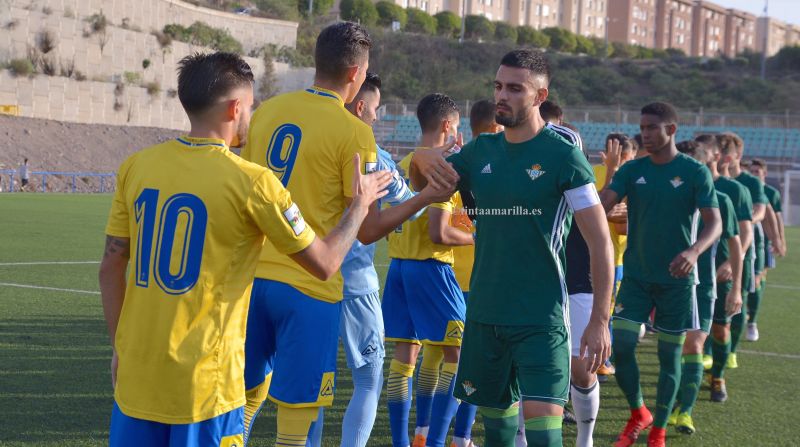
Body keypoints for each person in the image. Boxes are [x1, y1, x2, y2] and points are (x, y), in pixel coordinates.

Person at [98, 52, 392, 447]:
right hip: (205, 389)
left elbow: (111, 266)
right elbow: (324, 263)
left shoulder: (136, 167)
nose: (250, 118)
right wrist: (359, 205)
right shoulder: (254, 183)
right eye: (250, 107)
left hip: (137, 378)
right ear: (235, 108)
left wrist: (121, 346)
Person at [239, 23, 453, 446]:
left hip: (252, 279)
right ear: (356, 73)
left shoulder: (266, 112)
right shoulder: (355, 131)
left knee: (242, 400)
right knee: (301, 415)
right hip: (311, 283)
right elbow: (369, 229)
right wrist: (427, 196)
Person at [416, 49, 614, 447]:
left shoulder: (564, 157)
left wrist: (599, 319)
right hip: (485, 316)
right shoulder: (479, 152)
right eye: (498, 86)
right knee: (498, 434)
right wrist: (427, 159)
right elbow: (423, 178)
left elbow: (600, 240)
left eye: (514, 88)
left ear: (540, 96)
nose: (501, 96)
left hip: (541, 319)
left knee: (544, 436)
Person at [600, 102, 722, 447]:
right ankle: (639, 412)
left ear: (671, 129)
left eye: (652, 127)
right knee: (622, 345)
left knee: (669, 358)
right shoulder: (633, 170)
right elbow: (602, 204)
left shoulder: (694, 171)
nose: (646, 134)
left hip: (677, 281)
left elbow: (714, 223)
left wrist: (693, 252)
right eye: (642, 128)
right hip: (637, 277)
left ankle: (659, 430)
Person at [333, 72, 431, 447]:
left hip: (301, 276)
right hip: (354, 282)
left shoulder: (309, 135)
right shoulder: (374, 154)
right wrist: (424, 176)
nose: (376, 117)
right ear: (361, 107)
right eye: (374, 109)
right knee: (369, 376)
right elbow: (413, 207)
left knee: (310, 382)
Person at [383, 93, 474, 447]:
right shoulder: (443, 166)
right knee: (460, 356)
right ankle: (436, 441)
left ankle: (407, 440)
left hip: (398, 267)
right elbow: (439, 232)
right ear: (448, 126)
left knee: (405, 357)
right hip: (431, 269)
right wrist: (475, 236)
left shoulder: (401, 163)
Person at [670, 140, 742, 434]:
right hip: (669, 284)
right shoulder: (668, 193)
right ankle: (673, 403)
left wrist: (736, 287)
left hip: (705, 285)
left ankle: (689, 407)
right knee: (673, 348)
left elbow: (736, 244)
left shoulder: (721, 199)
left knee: (699, 342)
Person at [696, 133, 752, 402]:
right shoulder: (688, 186)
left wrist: (731, 263)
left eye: (703, 153)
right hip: (690, 275)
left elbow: (744, 233)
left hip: (720, 271)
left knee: (720, 329)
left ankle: (717, 376)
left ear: (716, 156)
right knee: (690, 335)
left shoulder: (734, 191)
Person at [718, 133, 781, 368]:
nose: (720, 157)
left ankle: (731, 351)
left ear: (737, 155)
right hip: (715, 248)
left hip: (745, 248)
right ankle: (710, 350)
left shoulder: (751, 183)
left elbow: (762, 211)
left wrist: (736, 221)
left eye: (725, 153)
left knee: (738, 301)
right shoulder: (711, 179)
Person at [594, 133, 636, 381]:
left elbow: (621, 224)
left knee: (603, 309)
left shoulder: (630, 179)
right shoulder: (599, 174)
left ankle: (600, 359)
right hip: (605, 258)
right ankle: (601, 360)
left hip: (610, 257)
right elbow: (601, 212)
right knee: (603, 310)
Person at [746, 158, 786, 341]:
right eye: (752, 171)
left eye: (757, 171)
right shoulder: (745, 187)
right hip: (746, 239)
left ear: (764, 173)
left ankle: (752, 321)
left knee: (758, 278)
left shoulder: (771, 192)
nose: (754, 174)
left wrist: (780, 240)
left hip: (764, 242)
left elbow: (776, 217)